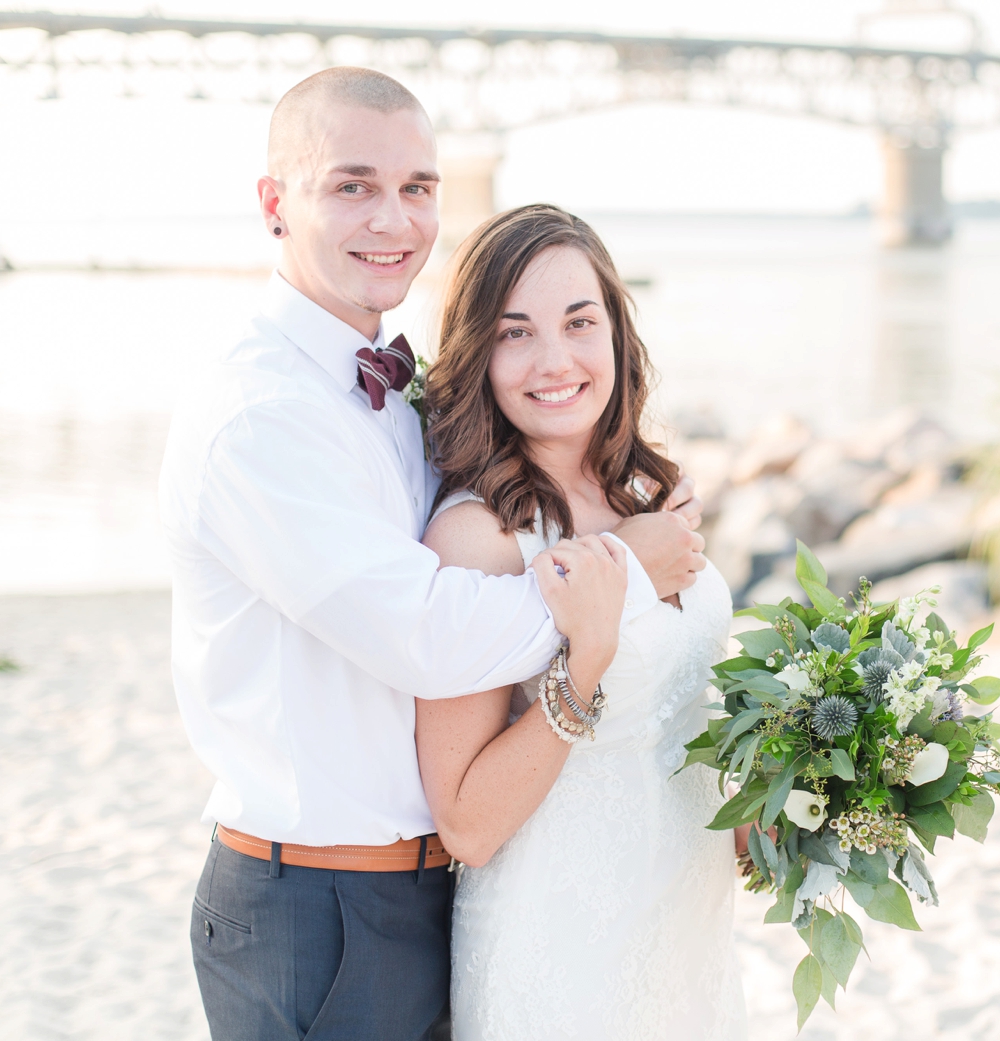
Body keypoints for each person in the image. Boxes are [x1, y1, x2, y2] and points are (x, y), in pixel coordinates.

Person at [159, 68, 705, 1041]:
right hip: (315, 904)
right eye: (353, 185)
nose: (395, 218)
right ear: (275, 204)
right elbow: (428, 635)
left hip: (424, 899)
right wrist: (623, 571)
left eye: (418, 187)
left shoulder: (388, 397)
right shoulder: (262, 417)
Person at [414, 204, 747, 1040]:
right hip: (563, 958)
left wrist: (781, 801)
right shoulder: (478, 537)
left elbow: (671, 720)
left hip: (685, 939)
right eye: (515, 333)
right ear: (477, 354)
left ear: (616, 335)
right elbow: (468, 823)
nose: (554, 360)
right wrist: (586, 660)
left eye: (578, 322)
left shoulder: (647, 495)